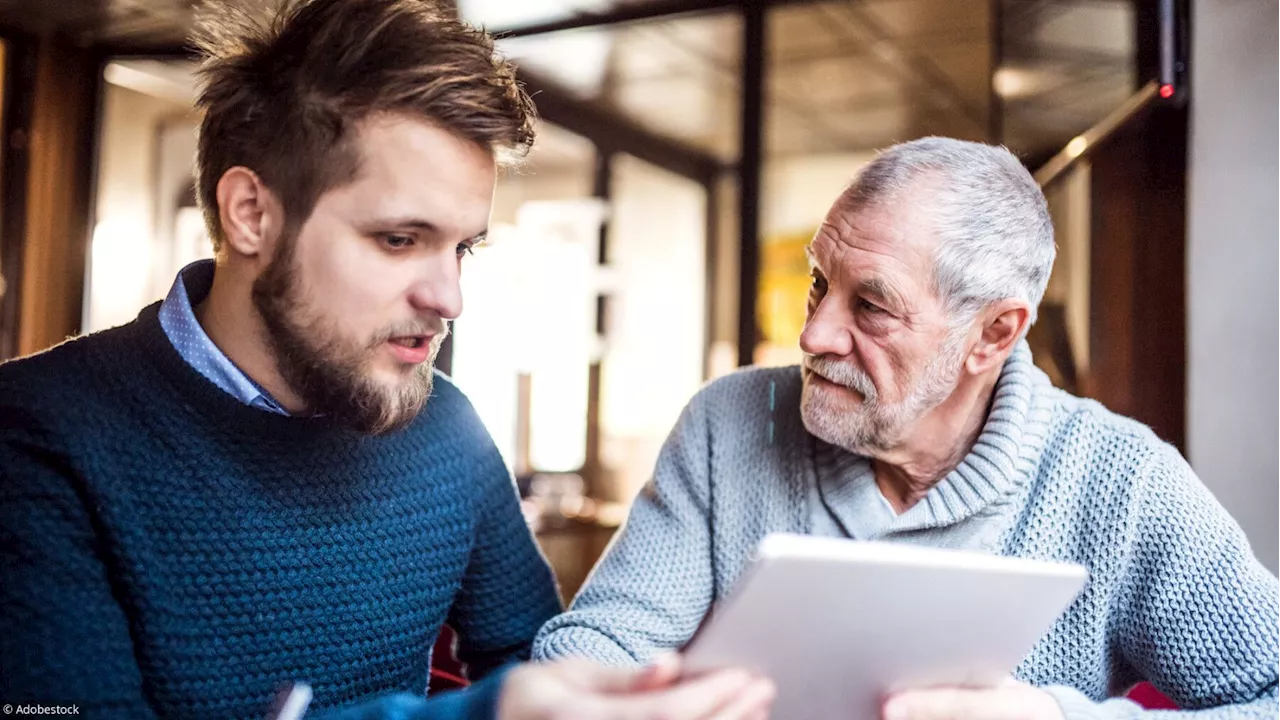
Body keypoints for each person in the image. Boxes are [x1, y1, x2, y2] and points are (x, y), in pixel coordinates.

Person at [0, 1, 775, 718]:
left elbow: (538, 664)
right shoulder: (35, 433)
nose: (449, 298)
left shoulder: (447, 426)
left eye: (463, 247)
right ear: (251, 214)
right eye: (400, 239)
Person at [532, 137, 1280, 719]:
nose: (816, 333)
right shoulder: (730, 423)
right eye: (821, 283)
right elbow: (596, 645)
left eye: (872, 307)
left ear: (991, 336)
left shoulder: (1121, 480)